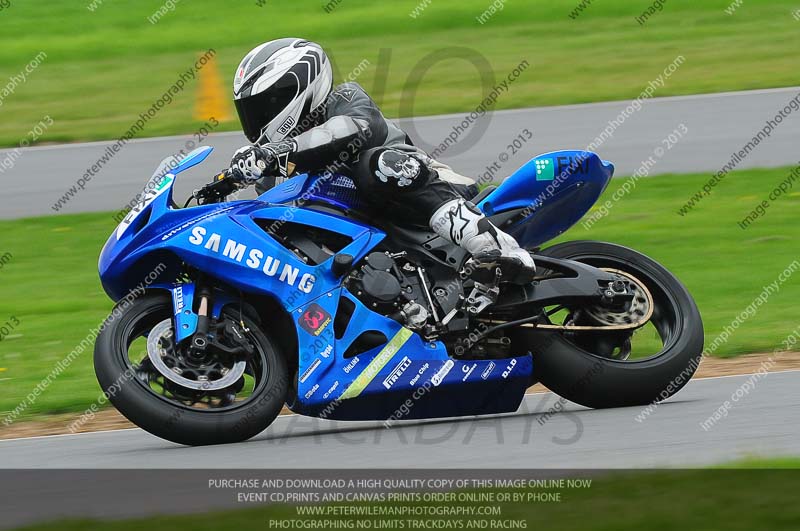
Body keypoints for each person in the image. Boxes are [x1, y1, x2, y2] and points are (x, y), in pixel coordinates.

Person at [228, 38, 535, 282]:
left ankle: (494, 245)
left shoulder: (345, 100)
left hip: (436, 196)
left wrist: (275, 153)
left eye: (263, 106)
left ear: (296, 89)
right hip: (379, 251)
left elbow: (350, 131)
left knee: (378, 164)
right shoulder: (273, 177)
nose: (256, 121)